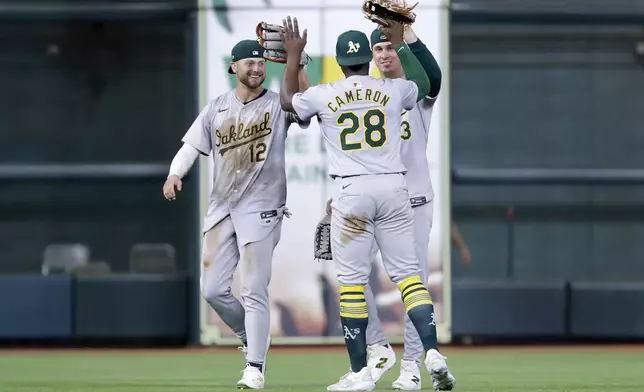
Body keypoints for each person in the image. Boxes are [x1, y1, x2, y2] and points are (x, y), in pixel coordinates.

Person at [279, 16, 451, 392]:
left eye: (390, 47)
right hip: (393, 192)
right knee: (407, 281)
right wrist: (402, 35)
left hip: (384, 194)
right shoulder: (399, 92)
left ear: (341, 62)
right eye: (380, 47)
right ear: (370, 57)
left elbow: (295, 103)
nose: (386, 53)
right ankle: (392, 350)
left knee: (354, 283)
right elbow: (422, 82)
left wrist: (294, 60)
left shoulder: (399, 93)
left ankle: (409, 366)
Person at [162, 39, 309, 389]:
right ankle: (250, 336)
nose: (257, 68)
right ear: (234, 68)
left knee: (255, 287)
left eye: (261, 63)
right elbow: (191, 146)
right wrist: (174, 173)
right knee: (211, 289)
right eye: (250, 63)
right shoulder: (217, 108)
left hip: (263, 206)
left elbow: (305, 109)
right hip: (222, 208)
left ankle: (255, 367)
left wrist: (297, 65)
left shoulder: (278, 104)